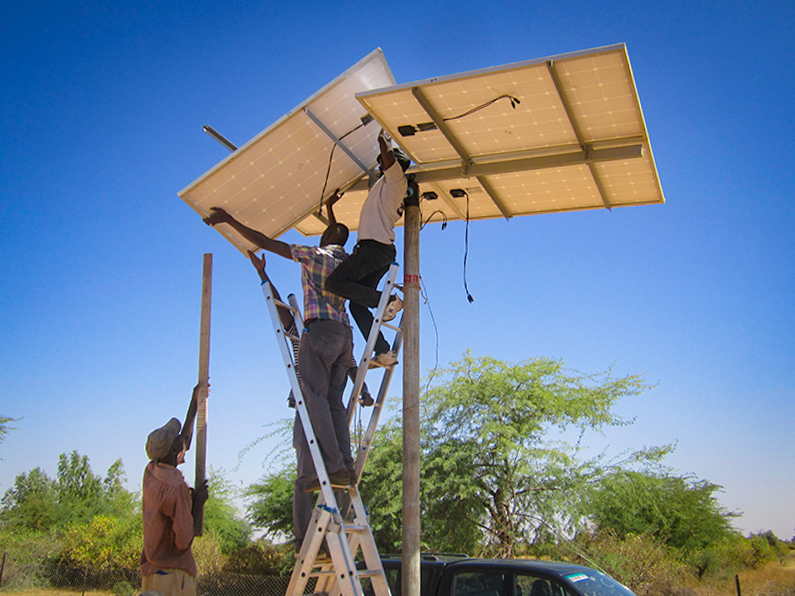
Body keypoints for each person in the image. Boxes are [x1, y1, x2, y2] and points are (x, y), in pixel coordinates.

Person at [204, 197, 355, 554]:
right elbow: (337, 238)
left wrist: (230, 221)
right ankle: (339, 469)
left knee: (312, 420)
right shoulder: (346, 260)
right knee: (331, 406)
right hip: (344, 335)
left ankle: (320, 499)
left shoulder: (314, 265)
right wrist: (332, 212)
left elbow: (280, 245)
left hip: (314, 374)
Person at [324, 128, 410, 368]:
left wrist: (384, 139)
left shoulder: (397, 180)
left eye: (383, 163)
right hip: (376, 250)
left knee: (334, 283)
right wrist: (330, 208)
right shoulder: (385, 185)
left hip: (374, 249)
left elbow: (390, 160)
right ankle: (383, 352)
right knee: (357, 304)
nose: (380, 165)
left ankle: (389, 300)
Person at [141, 383, 209, 596]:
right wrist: (198, 504)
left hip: (152, 572)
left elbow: (184, 440)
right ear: (173, 450)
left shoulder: (151, 471)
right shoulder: (175, 486)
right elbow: (183, 540)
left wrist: (194, 401)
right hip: (173, 575)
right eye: (177, 440)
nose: (183, 440)